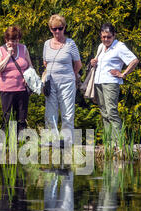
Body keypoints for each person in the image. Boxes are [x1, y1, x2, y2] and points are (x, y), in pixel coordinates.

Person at [90, 23, 139, 144]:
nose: (106, 39)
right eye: (103, 37)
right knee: (104, 113)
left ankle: (118, 142)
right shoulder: (101, 46)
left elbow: (134, 60)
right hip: (99, 82)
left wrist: (123, 74)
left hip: (111, 83)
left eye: (109, 37)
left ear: (114, 35)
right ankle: (109, 142)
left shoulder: (119, 46)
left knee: (112, 112)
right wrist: (93, 62)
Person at [43, 14, 82, 148]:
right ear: (50, 29)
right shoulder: (46, 44)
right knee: (50, 112)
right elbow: (45, 62)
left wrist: (70, 75)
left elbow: (78, 65)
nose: (57, 32)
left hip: (67, 82)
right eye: (54, 29)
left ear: (64, 27)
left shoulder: (71, 44)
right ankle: (50, 140)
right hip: (50, 83)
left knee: (67, 112)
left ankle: (66, 141)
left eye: (60, 28)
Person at [0, 26, 34, 133]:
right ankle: (6, 141)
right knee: (7, 118)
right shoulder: (0, 50)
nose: (15, 43)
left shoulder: (23, 48)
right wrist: (8, 55)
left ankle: (20, 141)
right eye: (12, 40)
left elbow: (30, 66)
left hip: (22, 89)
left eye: (17, 40)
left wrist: (28, 77)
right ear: (6, 40)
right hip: (7, 89)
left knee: (21, 118)